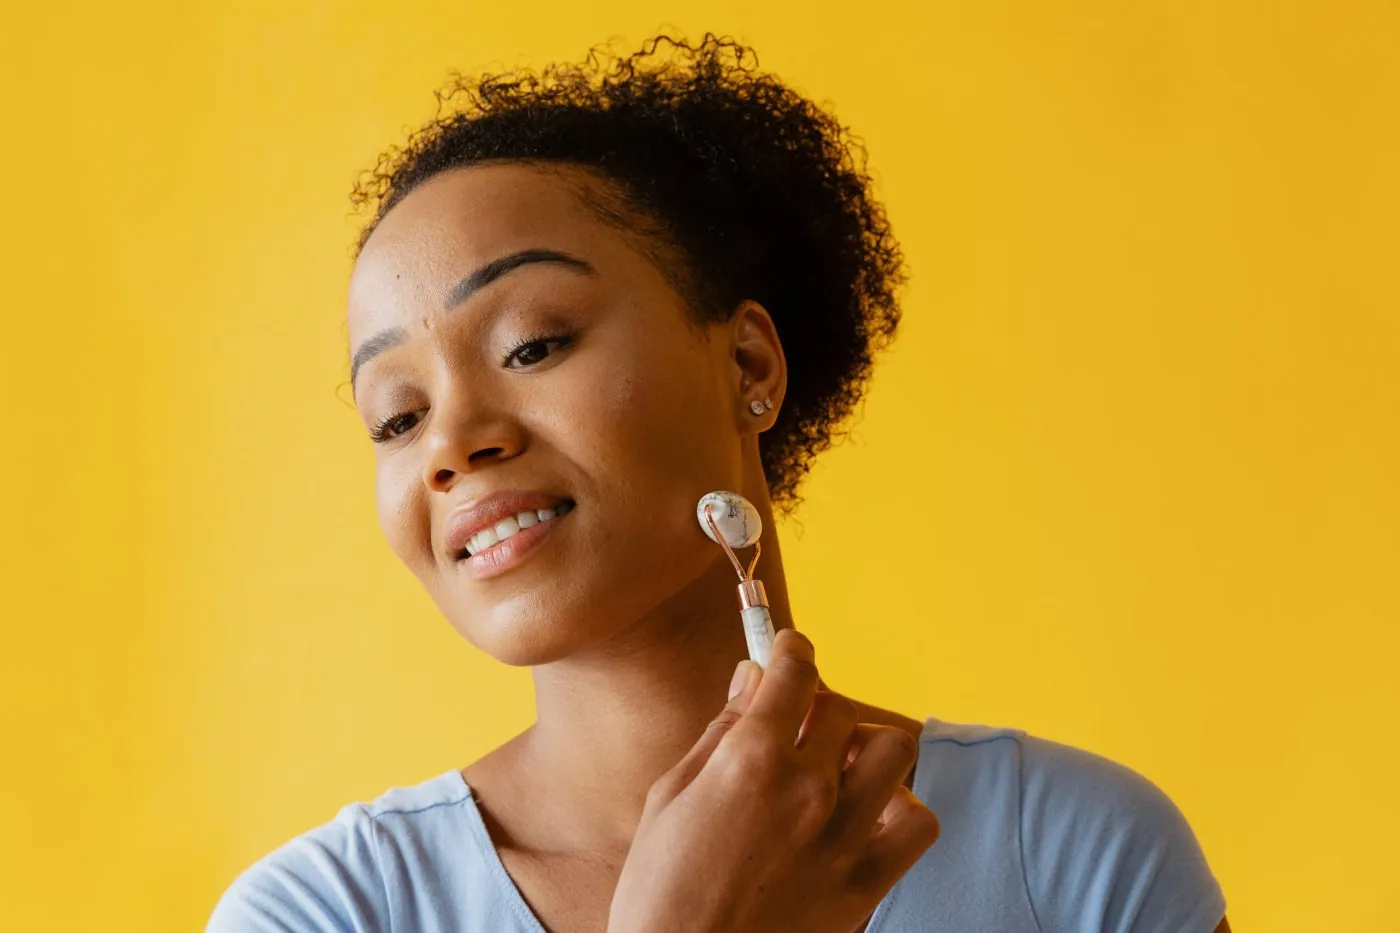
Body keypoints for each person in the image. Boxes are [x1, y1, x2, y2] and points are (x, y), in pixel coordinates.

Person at [206, 32, 1229, 933]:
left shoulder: (1071, 854)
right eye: (397, 415)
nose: (451, 442)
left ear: (747, 364)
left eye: (533, 345)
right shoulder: (322, 913)